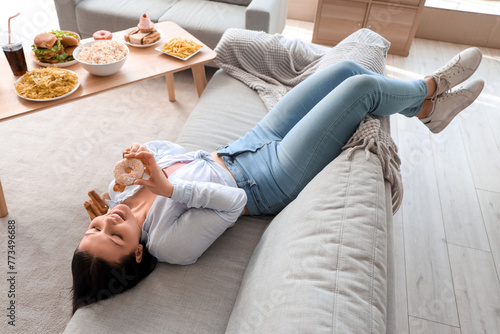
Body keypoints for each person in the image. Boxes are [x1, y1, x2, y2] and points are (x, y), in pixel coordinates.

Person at [71, 48, 484, 313]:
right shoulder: (167, 244)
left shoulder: (116, 194)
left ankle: (426, 110)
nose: (111, 219)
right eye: (116, 235)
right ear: (137, 256)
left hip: (246, 145)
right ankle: (431, 88)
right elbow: (231, 203)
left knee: (344, 69)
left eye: (96, 226)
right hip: (269, 179)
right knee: (361, 90)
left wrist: (144, 154)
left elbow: (172, 153)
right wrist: (167, 188)